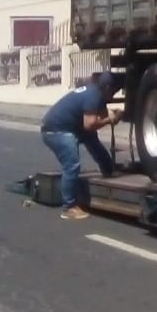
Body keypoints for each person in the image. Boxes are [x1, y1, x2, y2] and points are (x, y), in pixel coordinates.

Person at [39, 71, 121, 220]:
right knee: (72, 164)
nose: (115, 94)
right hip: (56, 131)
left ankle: (108, 169)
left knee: (93, 141)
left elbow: (98, 118)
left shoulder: (97, 93)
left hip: (70, 127)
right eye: (115, 91)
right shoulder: (94, 95)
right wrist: (110, 120)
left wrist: (111, 115)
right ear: (108, 88)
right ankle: (68, 208)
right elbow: (89, 124)